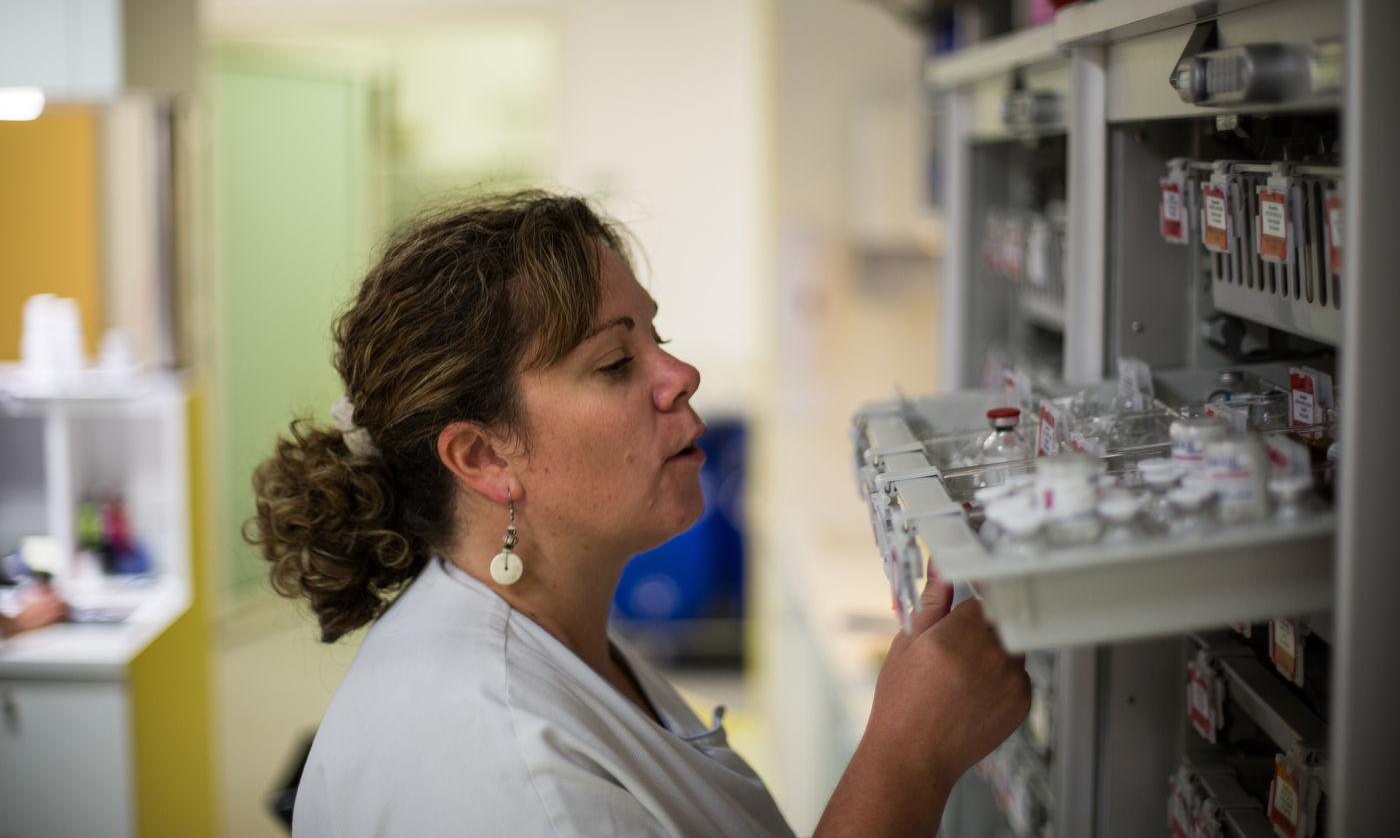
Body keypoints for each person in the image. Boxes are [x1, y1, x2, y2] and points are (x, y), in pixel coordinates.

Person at [246, 191, 1029, 837]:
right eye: (616, 363)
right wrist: (906, 755)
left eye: (658, 336)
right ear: (483, 457)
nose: (681, 374)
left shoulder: (557, 629)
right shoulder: (498, 770)